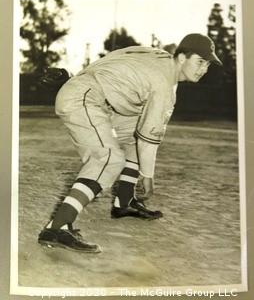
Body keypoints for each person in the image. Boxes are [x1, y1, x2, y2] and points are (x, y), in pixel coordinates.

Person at [38, 33, 222, 253]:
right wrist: (148, 174)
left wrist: (77, 77)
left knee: (135, 138)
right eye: (200, 61)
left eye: (208, 64)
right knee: (108, 158)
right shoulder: (164, 84)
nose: (204, 69)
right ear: (182, 58)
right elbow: (151, 136)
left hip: (103, 98)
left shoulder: (159, 57)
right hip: (86, 97)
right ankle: (57, 227)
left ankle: (124, 202)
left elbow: (118, 59)